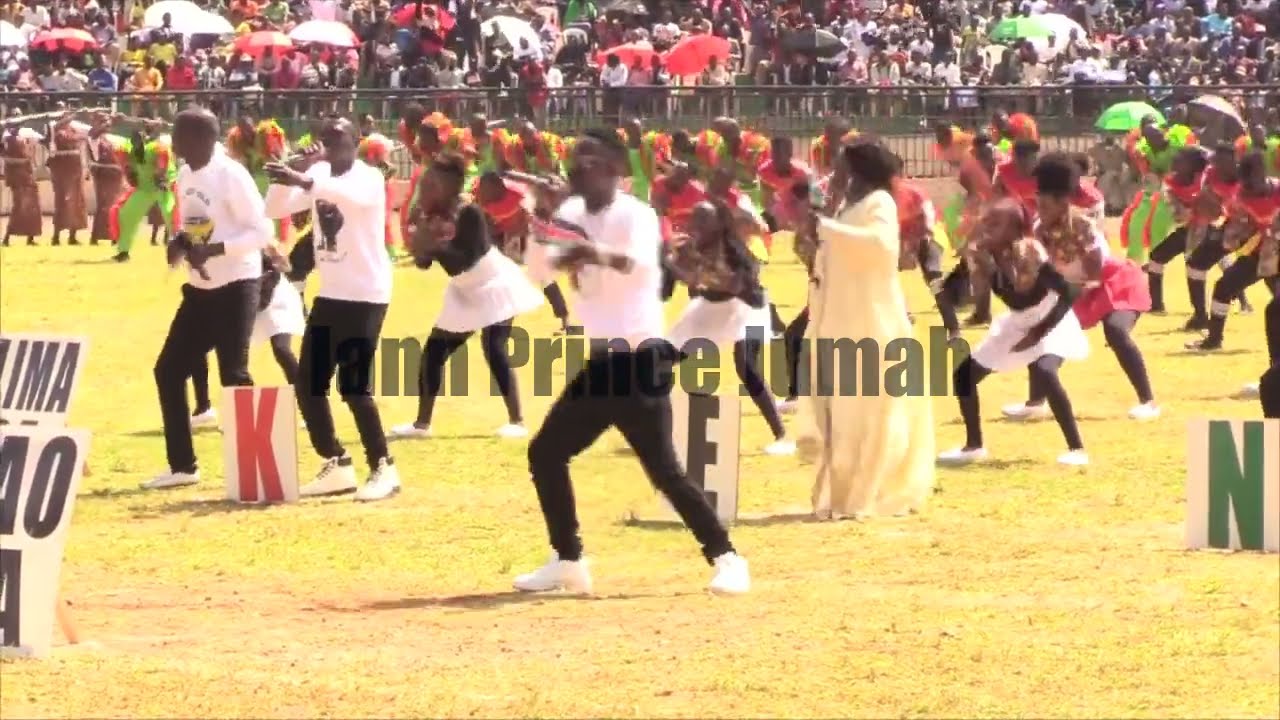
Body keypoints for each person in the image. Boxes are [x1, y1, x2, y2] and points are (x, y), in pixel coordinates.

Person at [514, 128, 749, 595]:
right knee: (545, 453)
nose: (580, 167)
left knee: (665, 472)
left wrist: (587, 251)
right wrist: (542, 221)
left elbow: (640, 265)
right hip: (601, 363)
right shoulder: (568, 212)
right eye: (577, 158)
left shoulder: (635, 214)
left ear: (617, 170)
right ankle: (568, 559)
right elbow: (539, 273)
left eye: (592, 160)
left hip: (641, 360)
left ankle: (727, 558)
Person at [793, 140, 935, 520]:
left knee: (872, 408)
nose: (834, 172)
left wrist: (828, 228)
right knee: (843, 410)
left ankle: (873, 490)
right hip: (840, 317)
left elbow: (881, 245)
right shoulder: (844, 206)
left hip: (872, 320)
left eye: (840, 166)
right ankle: (841, 491)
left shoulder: (879, 204)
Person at [264, 117, 399, 502]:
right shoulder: (319, 172)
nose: (329, 146)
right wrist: (290, 173)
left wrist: (304, 178)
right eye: (325, 140)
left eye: (338, 140)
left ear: (356, 142)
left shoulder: (368, 177)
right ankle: (336, 462)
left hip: (367, 293)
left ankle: (383, 466)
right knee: (308, 385)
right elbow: (275, 208)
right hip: (333, 293)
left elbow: (347, 198)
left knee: (354, 388)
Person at [142, 108, 271, 490]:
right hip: (200, 291)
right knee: (168, 370)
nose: (174, 142)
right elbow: (193, 223)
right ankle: (183, 467)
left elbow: (261, 232)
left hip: (236, 286)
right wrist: (180, 241)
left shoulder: (231, 175)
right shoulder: (184, 174)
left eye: (178, 135)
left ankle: (254, 470)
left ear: (200, 138)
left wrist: (213, 250)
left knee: (234, 375)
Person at [389, 155, 543, 440]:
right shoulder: (432, 215)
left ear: (451, 185)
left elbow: (465, 259)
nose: (425, 189)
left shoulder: (469, 212)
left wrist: (433, 245)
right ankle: (421, 425)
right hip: (463, 289)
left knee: (493, 347)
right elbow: (424, 264)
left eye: (432, 183)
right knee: (433, 353)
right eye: (425, 183)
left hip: (493, 283)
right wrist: (421, 244)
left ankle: (517, 421)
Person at [1003, 154, 1158, 423]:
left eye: (1046, 203)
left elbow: (1095, 273)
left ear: (1063, 202)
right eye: (1038, 201)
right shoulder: (1039, 229)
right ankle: (1036, 402)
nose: (1040, 207)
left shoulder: (1083, 226)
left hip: (1111, 283)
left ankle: (1148, 402)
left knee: (1116, 331)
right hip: (1075, 288)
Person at [939, 197, 1089, 467]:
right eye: (986, 221)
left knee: (1045, 372)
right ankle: (973, 446)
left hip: (1052, 316)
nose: (987, 227)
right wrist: (967, 264)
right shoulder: (983, 253)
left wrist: (1040, 332)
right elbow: (961, 296)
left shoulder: (1031, 251)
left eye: (995, 223)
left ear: (1015, 230)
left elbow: (1069, 293)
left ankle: (1077, 449)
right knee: (963, 377)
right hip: (1018, 322)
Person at [664, 201, 793, 456]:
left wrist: (693, 267)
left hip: (745, 307)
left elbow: (734, 286)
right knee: (660, 359)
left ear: (717, 224)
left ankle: (782, 435)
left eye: (703, 220)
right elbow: (675, 287)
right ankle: (661, 430)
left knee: (746, 366)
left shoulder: (734, 249)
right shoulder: (687, 248)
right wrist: (670, 261)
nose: (695, 225)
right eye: (695, 219)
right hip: (709, 308)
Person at [188, 244, 305, 428]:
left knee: (282, 350)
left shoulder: (245, 249)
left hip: (274, 298)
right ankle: (204, 409)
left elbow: (273, 276)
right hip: (241, 301)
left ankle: (310, 409)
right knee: (197, 344)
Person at [1187, 151, 1280, 351]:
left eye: (1253, 178)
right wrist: (1228, 235)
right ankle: (1214, 340)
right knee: (1223, 287)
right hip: (1259, 255)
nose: (1248, 187)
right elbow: (1235, 229)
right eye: (1245, 181)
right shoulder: (1241, 197)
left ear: (1263, 173)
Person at [111, 127, 178, 262]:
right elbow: (124, 162)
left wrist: (161, 177)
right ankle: (123, 251)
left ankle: (183, 252)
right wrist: (129, 172)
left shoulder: (155, 148)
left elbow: (162, 163)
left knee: (172, 216)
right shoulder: (127, 149)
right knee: (126, 214)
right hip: (144, 188)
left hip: (163, 186)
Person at [47, 116, 89, 246]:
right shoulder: (53, 127)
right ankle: (56, 237)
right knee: (62, 203)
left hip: (75, 170)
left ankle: (72, 236)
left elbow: (84, 141)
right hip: (62, 172)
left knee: (77, 203)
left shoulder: (74, 128)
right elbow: (57, 132)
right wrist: (73, 114)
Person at [2, 128, 42, 246]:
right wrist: (27, 155)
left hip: (27, 177)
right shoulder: (7, 139)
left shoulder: (23, 138)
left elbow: (29, 157)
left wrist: (31, 149)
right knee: (19, 207)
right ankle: (6, 238)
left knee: (33, 207)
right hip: (17, 178)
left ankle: (30, 238)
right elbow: (10, 158)